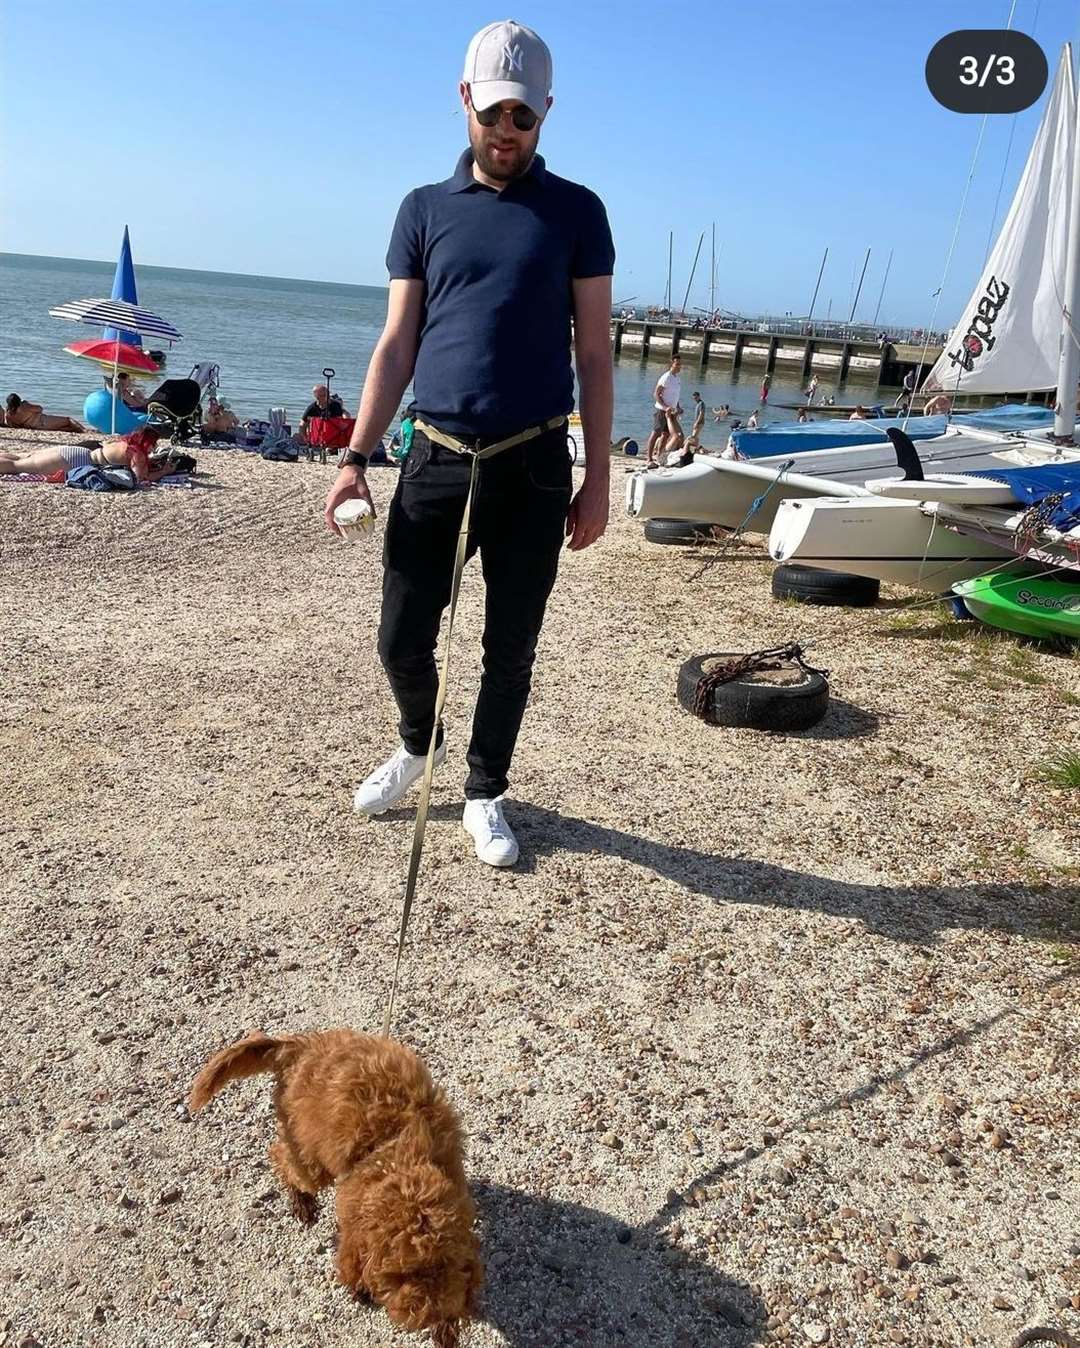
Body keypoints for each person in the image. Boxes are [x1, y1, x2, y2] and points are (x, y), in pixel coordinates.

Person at [323, 19, 614, 868]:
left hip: (532, 463)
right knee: (401, 639)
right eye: (494, 113)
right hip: (436, 456)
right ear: (466, 102)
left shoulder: (578, 212)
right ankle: (421, 745)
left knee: (509, 648)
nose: (507, 132)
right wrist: (353, 457)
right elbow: (396, 345)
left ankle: (485, 790)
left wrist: (598, 477)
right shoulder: (422, 210)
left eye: (524, 117)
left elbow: (593, 353)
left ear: (546, 114)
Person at [0, 426, 169, 481]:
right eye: (153, 444)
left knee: (23, 457)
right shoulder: (137, 453)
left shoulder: (124, 443)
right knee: (17, 466)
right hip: (75, 461)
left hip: (77, 451)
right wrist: (164, 471)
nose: (153, 447)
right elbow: (141, 478)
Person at [645, 355, 681, 467]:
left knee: (666, 435)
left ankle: (660, 456)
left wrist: (678, 407)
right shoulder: (666, 377)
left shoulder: (677, 378)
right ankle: (649, 458)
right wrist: (665, 407)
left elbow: (674, 396)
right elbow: (656, 394)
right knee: (656, 433)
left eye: (680, 364)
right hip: (662, 410)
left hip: (671, 412)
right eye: (677, 364)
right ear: (671, 364)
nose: (679, 366)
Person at [4, 394, 84, 433]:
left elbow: (12, 425)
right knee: (68, 420)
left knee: (67, 428)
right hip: (43, 422)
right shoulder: (24, 406)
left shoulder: (8, 414)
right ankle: (84, 431)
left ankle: (78, 430)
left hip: (34, 428)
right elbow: (40, 409)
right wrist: (26, 403)